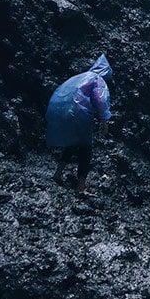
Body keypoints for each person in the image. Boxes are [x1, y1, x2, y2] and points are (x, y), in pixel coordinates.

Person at [46, 54, 113, 195]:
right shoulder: (97, 79)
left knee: (72, 143)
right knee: (85, 148)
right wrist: (104, 119)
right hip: (79, 113)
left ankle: (57, 174)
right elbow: (100, 100)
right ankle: (80, 187)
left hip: (63, 108)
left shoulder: (81, 76)